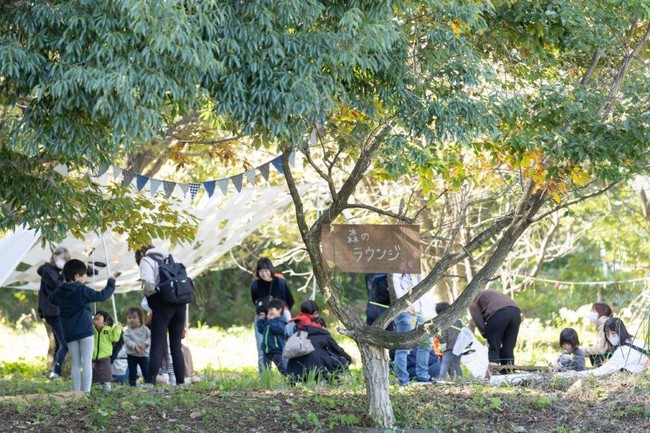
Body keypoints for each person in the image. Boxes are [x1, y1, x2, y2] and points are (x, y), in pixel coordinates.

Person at [48, 259, 116, 393]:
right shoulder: (82, 290)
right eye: (83, 274)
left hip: (69, 333)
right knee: (86, 364)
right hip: (85, 332)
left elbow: (51, 299)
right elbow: (102, 295)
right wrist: (111, 283)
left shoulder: (60, 292)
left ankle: (75, 392)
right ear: (76, 275)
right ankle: (85, 393)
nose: (85, 277)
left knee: (75, 364)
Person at [135, 245, 186, 386]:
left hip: (163, 305)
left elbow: (149, 283)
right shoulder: (173, 257)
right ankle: (180, 383)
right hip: (180, 304)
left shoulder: (146, 260)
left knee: (157, 345)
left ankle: (150, 383)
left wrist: (150, 296)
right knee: (176, 346)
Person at [286, 300, 352, 383]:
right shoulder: (322, 333)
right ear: (315, 312)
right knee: (336, 359)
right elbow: (337, 349)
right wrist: (349, 359)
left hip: (294, 370)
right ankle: (333, 381)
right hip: (316, 368)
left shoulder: (295, 326)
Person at [250, 258, 294, 374]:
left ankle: (289, 376)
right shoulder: (255, 285)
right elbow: (255, 300)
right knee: (262, 347)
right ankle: (265, 378)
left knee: (284, 347)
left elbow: (289, 300)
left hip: (280, 317)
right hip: (262, 318)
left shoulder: (279, 282)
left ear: (271, 269)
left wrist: (279, 314)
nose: (264, 273)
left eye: (266, 270)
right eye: (261, 271)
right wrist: (263, 314)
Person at [37, 246, 70, 379]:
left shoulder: (56, 272)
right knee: (64, 344)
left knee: (59, 344)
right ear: (55, 256)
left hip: (57, 311)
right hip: (52, 311)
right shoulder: (48, 270)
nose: (62, 261)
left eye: (65, 259)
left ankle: (55, 374)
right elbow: (58, 285)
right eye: (61, 258)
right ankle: (55, 372)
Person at [393, 272, 432, 385]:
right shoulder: (399, 274)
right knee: (403, 346)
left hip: (421, 311)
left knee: (426, 342)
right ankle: (403, 380)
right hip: (405, 312)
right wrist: (406, 305)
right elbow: (396, 283)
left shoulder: (415, 274)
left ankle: (423, 376)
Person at [575, 318, 648, 377]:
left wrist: (574, 374)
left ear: (620, 331)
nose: (611, 337)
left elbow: (602, 371)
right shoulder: (635, 340)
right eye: (607, 334)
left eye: (613, 333)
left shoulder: (622, 351)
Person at [468, 290, 521, 366]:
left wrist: (487, 335)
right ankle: (509, 373)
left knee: (494, 348)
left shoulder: (472, 299)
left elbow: (478, 320)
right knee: (508, 348)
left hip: (498, 313)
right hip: (516, 312)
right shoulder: (487, 293)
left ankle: (494, 372)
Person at [92, 310, 121, 392]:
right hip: (93, 356)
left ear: (105, 322)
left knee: (105, 374)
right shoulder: (92, 330)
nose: (97, 316)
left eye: (99, 316)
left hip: (104, 357)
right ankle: (87, 388)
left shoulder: (108, 330)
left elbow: (115, 338)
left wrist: (117, 329)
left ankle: (107, 390)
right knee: (90, 373)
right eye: (95, 316)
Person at [256, 299, 288, 374]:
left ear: (279, 310)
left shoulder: (281, 321)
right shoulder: (269, 321)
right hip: (266, 350)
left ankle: (291, 381)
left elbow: (277, 330)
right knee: (265, 369)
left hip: (276, 350)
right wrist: (261, 320)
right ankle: (266, 382)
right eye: (269, 309)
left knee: (282, 368)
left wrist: (271, 321)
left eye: (272, 309)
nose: (270, 311)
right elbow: (261, 330)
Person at [123, 307, 151, 387]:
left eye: (134, 318)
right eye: (129, 318)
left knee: (145, 370)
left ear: (140, 319)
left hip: (143, 355)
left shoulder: (145, 329)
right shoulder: (127, 331)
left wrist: (145, 344)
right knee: (132, 371)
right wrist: (135, 346)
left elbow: (150, 337)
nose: (131, 320)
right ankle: (132, 384)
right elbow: (127, 340)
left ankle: (148, 383)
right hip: (132, 355)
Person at [436, 302, 464, 379]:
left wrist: (442, 348)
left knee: (444, 364)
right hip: (459, 347)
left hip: (449, 348)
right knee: (456, 364)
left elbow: (442, 337)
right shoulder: (458, 321)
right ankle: (460, 379)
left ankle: (441, 379)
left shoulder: (443, 322)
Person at [582, 302, 613, 367]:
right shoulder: (605, 323)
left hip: (610, 356)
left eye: (593, 311)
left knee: (593, 351)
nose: (591, 313)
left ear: (601, 312)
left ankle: (599, 369)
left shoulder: (603, 325)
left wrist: (583, 350)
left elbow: (600, 349)